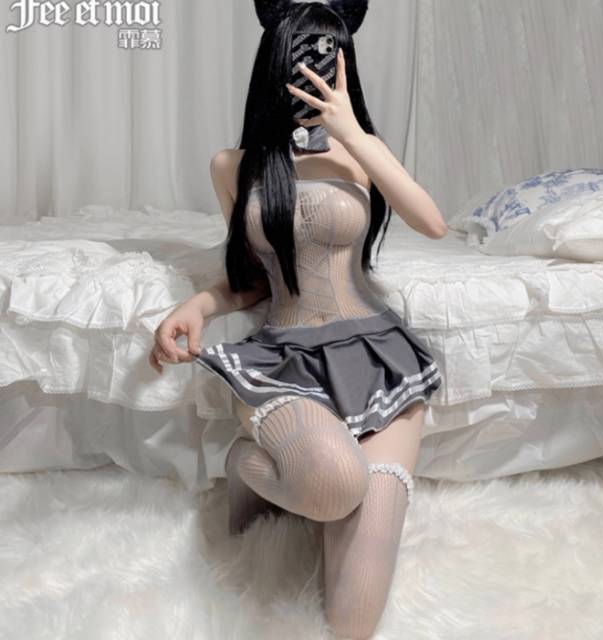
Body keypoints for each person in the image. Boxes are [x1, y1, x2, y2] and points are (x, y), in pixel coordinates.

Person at [149, 1, 446, 637]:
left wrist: (355, 134)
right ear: (276, 61)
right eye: (302, 52)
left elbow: (432, 223)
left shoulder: (361, 153)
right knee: (334, 486)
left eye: (328, 54)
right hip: (284, 361)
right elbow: (254, 278)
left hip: (378, 360)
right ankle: (244, 468)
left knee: (353, 621)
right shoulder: (233, 166)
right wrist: (200, 304)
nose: (314, 66)